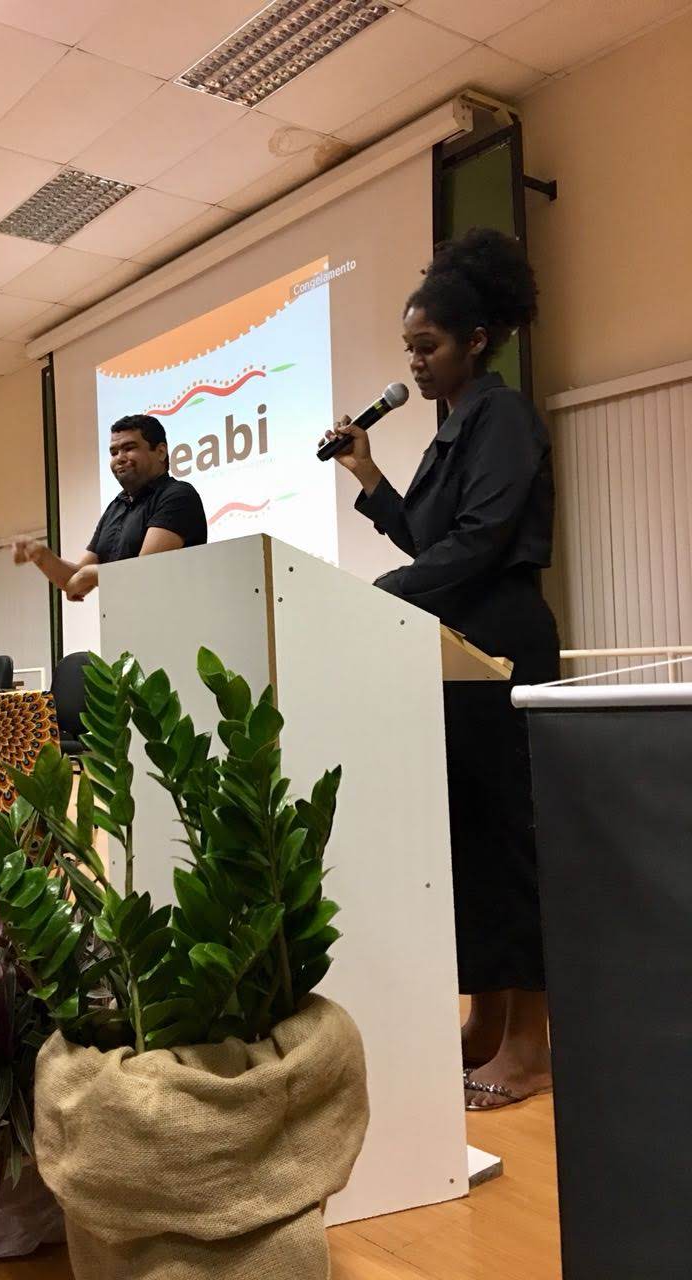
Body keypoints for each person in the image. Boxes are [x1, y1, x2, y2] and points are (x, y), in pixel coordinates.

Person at [322, 228, 558, 1111]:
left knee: (512, 841)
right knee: (470, 839)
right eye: (408, 350)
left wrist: (378, 593)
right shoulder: (452, 430)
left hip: (503, 641)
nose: (414, 364)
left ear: (476, 341)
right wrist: (368, 476)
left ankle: (531, 1045)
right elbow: (431, 540)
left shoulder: (504, 418)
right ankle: (485, 1022)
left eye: (427, 347)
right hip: (456, 646)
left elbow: (480, 542)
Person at [14, 414, 207, 600]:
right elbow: (75, 580)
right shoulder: (116, 506)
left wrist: (90, 575)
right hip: (121, 619)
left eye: (129, 448)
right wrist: (41, 555)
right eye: (114, 452)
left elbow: (145, 572)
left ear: (160, 452)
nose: (119, 458)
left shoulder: (178, 496)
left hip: (170, 619)